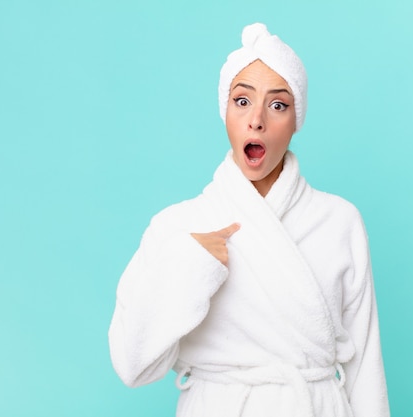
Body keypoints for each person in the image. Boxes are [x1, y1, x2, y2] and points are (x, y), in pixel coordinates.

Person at [108, 23, 390, 417]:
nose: (256, 119)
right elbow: (132, 363)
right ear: (224, 111)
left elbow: (365, 371)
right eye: (242, 101)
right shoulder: (179, 227)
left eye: (278, 105)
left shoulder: (339, 220)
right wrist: (188, 264)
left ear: (297, 120)